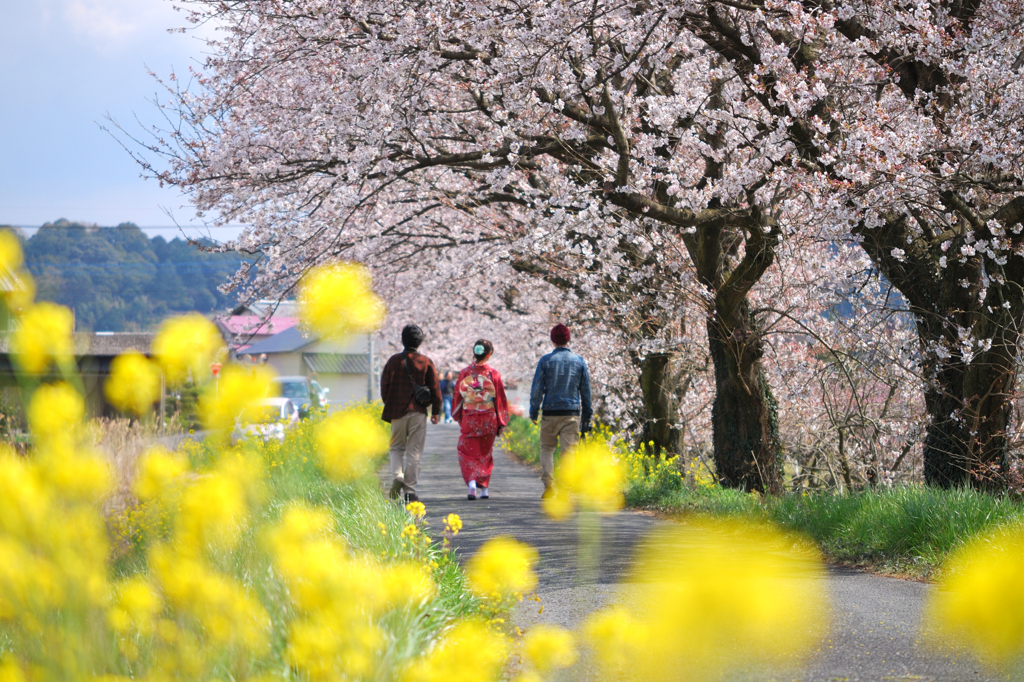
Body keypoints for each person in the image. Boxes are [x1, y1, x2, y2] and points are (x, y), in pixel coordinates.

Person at [380, 324, 442, 503]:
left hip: (397, 412)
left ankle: (398, 475)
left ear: (402, 339)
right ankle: (410, 491)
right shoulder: (426, 361)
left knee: (396, 448)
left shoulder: (393, 361)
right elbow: (435, 389)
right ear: (420, 342)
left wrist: (390, 403)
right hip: (418, 413)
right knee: (414, 452)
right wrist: (435, 412)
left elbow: (384, 386)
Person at [529, 323, 593, 499]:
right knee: (568, 454)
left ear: (552, 340)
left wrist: (534, 410)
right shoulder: (579, 361)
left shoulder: (545, 361)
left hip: (550, 412)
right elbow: (585, 390)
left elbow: (537, 389)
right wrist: (587, 415)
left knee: (547, 449)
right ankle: (565, 489)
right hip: (571, 413)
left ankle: (549, 485)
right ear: (568, 339)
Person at [452, 339, 509, 500]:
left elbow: (457, 396)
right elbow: (500, 399)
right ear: (489, 354)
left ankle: (472, 485)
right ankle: (484, 489)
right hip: (488, 418)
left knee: (467, 452)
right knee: (485, 453)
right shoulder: (493, 374)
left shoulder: (464, 373)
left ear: (474, 353)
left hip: (470, 418)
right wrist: (501, 421)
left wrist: (458, 416)